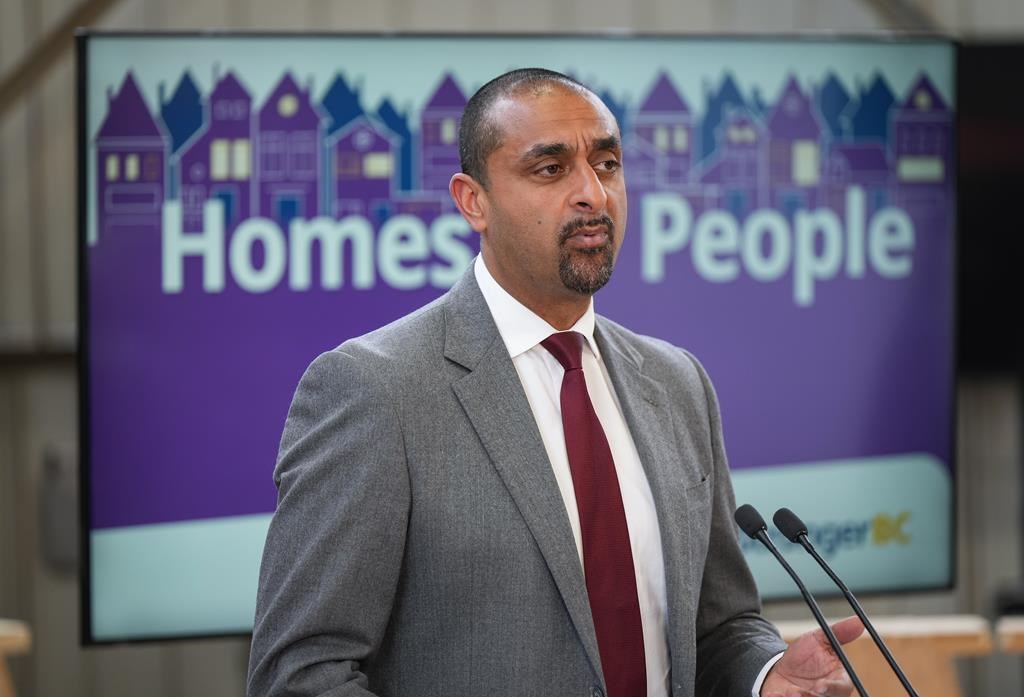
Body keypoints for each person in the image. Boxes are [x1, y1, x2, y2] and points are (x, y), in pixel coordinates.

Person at [247, 68, 863, 697]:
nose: (593, 194)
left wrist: (765, 678)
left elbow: (720, 624)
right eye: (550, 169)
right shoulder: (375, 389)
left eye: (608, 163)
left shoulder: (678, 383)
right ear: (472, 201)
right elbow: (302, 674)